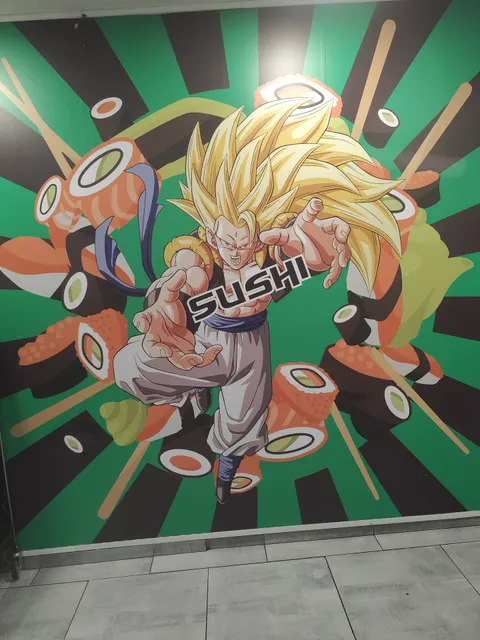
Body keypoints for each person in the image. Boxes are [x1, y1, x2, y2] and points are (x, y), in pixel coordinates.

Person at [113, 98, 401, 503]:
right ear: (211, 233)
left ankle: (226, 472)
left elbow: (296, 254)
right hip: (206, 341)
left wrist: (315, 251)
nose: (235, 252)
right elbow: (186, 266)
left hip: (252, 345)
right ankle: (192, 395)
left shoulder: (272, 246)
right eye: (225, 241)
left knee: (243, 419)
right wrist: (165, 296)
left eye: (244, 242)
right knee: (131, 364)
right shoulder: (200, 251)